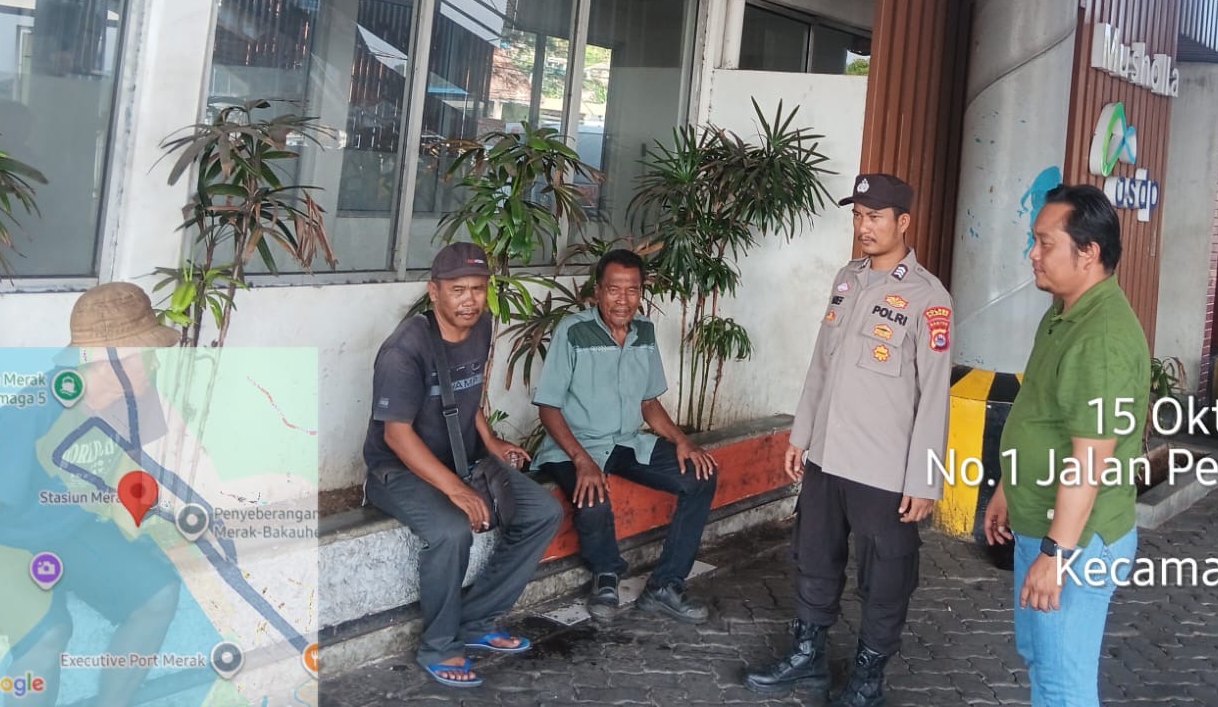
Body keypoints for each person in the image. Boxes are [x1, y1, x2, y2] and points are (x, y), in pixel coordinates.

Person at [744, 173, 952, 707]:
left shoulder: (929, 298)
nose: (863, 227)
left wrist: (925, 480)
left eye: (875, 217)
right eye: (858, 216)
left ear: (903, 222)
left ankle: (867, 678)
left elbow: (935, 398)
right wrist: (802, 434)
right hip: (827, 457)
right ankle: (808, 657)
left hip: (883, 468)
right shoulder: (847, 278)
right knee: (813, 558)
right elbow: (822, 363)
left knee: (886, 576)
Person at [0, 283, 182, 707]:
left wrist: (141, 529)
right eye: (146, 352)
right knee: (49, 633)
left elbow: (125, 469)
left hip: (65, 530)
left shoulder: (137, 398)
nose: (155, 362)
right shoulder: (38, 407)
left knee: (159, 594)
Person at [364, 242, 564, 690]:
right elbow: (396, 436)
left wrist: (491, 442)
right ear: (434, 292)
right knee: (452, 531)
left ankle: (476, 620)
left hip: (462, 458)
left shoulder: (482, 326)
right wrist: (457, 490)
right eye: (458, 290)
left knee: (543, 512)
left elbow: (466, 397)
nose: (469, 300)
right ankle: (437, 646)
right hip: (396, 470)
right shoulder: (403, 351)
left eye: (477, 288)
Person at [982, 184, 1150, 707]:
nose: (1033, 254)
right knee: (1043, 662)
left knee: (1063, 688)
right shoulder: (1064, 313)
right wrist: (1009, 488)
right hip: (1044, 524)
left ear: (1088, 252)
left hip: (1077, 541)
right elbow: (1043, 415)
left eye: (1045, 243)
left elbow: (1090, 459)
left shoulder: (1101, 338)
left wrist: (1056, 555)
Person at [532, 248, 719, 624]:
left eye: (632, 290)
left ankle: (665, 586)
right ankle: (605, 575)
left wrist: (681, 440)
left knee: (701, 475)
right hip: (575, 445)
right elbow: (548, 407)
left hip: (627, 442)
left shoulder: (644, 331)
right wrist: (582, 460)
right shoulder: (573, 331)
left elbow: (648, 402)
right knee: (593, 497)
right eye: (614, 289)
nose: (623, 299)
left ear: (641, 292)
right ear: (597, 292)